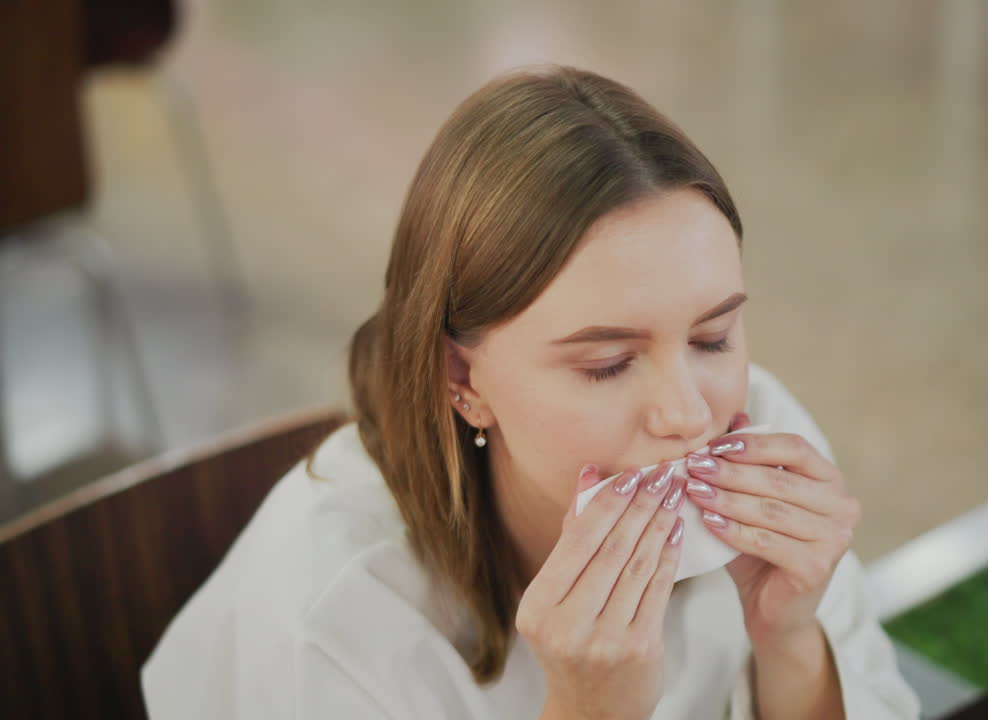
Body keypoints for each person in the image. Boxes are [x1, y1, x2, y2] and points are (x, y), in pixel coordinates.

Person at [141, 65, 921, 720]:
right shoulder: (331, 616)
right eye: (609, 364)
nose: (689, 414)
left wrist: (789, 639)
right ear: (461, 378)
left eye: (712, 339)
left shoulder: (760, 424)